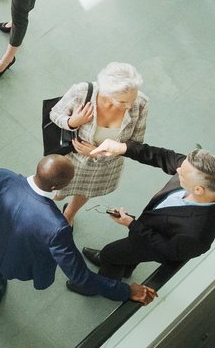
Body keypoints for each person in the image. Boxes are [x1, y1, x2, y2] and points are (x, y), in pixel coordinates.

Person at [0, 155, 156, 318]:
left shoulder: (2, 176)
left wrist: (0, 219)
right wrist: (127, 291)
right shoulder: (57, 227)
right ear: (55, 187)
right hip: (19, 258)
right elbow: (81, 277)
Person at [74, 139, 215, 286]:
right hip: (155, 226)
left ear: (198, 190)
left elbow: (167, 250)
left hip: (154, 242)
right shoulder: (211, 178)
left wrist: (132, 224)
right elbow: (165, 157)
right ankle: (126, 269)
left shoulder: (195, 235)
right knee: (127, 257)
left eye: (181, 173)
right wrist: (123, 148)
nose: (178, 168)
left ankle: (105, 286)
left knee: (110, 254)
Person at [48, 62, 148, 226]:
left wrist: (99, 153)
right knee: (57, 192)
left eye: (133, 98)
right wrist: (72, 122)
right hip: (72, 159)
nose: (130, 106)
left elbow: (136, 143)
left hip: (103, 166)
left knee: (85, 191)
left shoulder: (141, 103)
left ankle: (68, 216)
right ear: (106, 93)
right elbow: (55, 113)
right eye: (123, 102)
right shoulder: (82, 92)